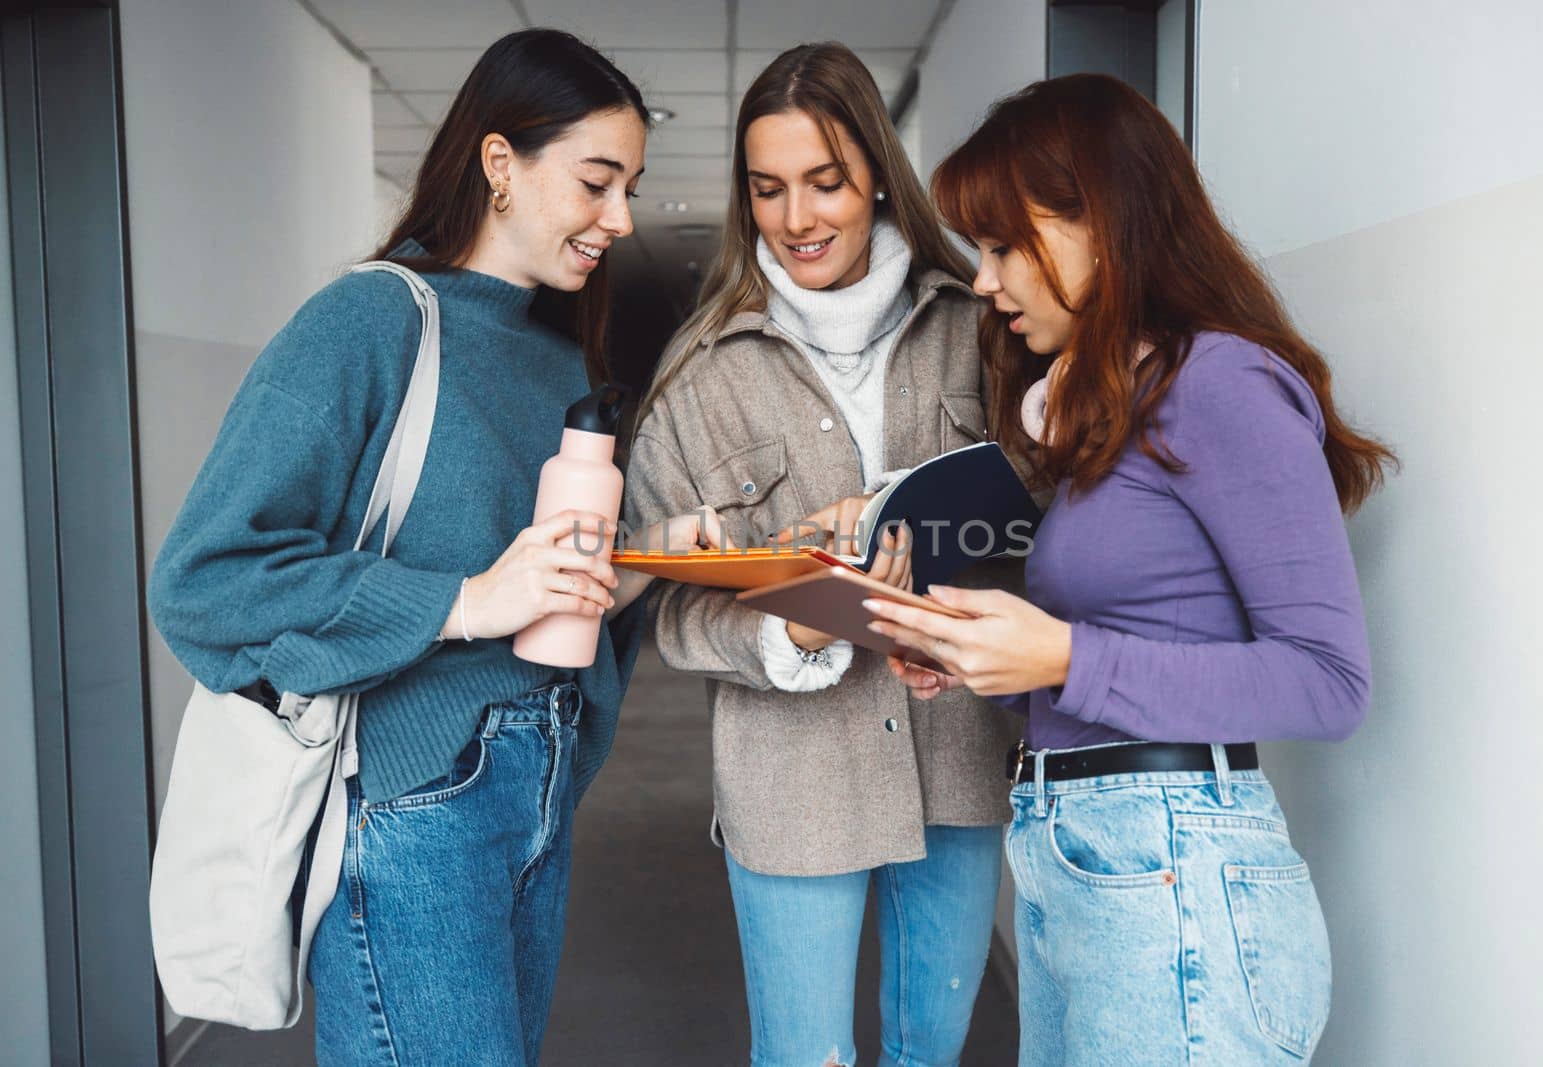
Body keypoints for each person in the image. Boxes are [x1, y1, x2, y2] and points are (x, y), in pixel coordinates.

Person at [148, 29, 712, 1065]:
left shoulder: (551, 354)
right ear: (501, 162)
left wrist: (647, 557)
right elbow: (205, 577)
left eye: (630, 186)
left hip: (532, 781)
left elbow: (538, 597)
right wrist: (461, 602)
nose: (618, 219)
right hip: (415, 805)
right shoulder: (367, 321)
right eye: (596, 182)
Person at [864, 74, 1395, 1064]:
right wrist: (987, 665)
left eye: (1004, 245)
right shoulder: (1113, 413)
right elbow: (1110, 671)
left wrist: (1061, 652)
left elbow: (1329, 682)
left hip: (1171, 863)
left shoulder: (1221, 383)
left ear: (1098, 224)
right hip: (1086, 852)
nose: (986, 282)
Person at [624, 42, 1018, 1067]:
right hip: (789, 775)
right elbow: (671, 610)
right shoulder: (699, 374)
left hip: (959, 760)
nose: (796, 219)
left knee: (930, 1048)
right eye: (767, 189)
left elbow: (1047, 523)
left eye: (825, 182)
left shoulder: (982, 327)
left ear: (877, 176)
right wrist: (789, 621)